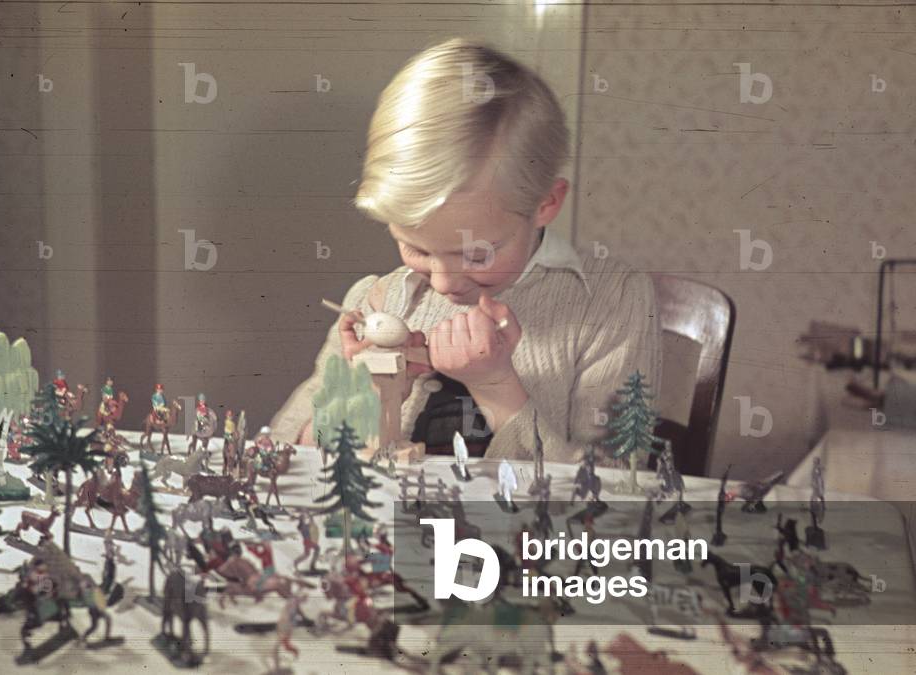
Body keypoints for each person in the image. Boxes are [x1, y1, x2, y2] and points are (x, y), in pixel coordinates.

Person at [268, 37, 661, 463]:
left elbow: (613, 492)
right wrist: (355, 397)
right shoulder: (375, 304)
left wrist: (497, 389)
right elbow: (282, 452)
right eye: (415, 248)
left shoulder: (609, 303)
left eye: (476, 255)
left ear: (545, 203)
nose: (442, 283)